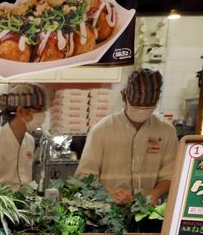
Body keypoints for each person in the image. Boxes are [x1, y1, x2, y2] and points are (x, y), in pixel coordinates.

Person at [76, 68, 179, 205]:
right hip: (107, 211)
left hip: (148, 211)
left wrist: (154, 194)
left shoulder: (166, 131)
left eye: (147, 107)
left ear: (156, 102)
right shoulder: (102, 130)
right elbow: (84, 176)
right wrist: (108, 193)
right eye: (137, 106)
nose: (142, 111)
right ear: (124, 97)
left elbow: (170, 175)